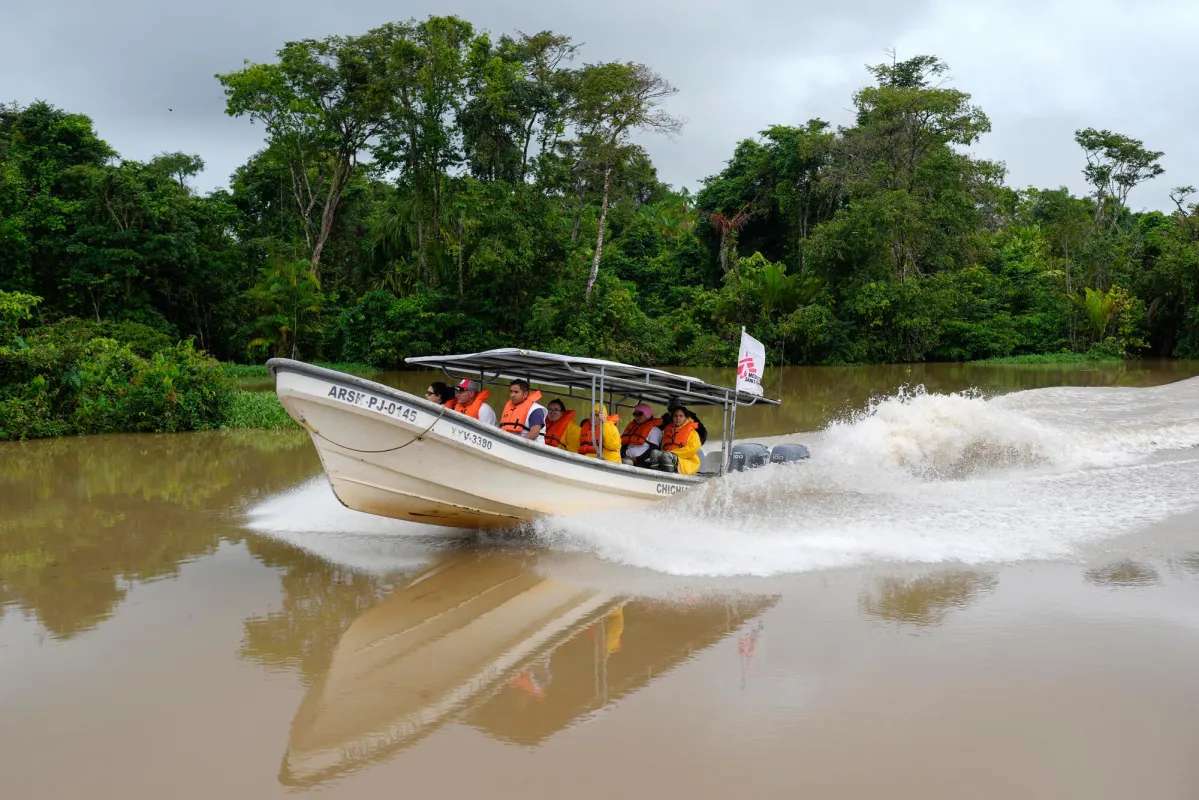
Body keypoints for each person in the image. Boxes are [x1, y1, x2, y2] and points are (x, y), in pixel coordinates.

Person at [643, 405, 702, 475]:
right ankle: (655, 475)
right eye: (675, 416)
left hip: (686, 461)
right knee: (654, 453)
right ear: (672, 418)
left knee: (666, 456)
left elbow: (692, 449)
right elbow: (663, 447)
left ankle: (670, 478)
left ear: (685, 418)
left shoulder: (693, 433)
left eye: (681, 416)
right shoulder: (667, 431)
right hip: (668, 456)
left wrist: (673, 453)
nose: (678, 418)